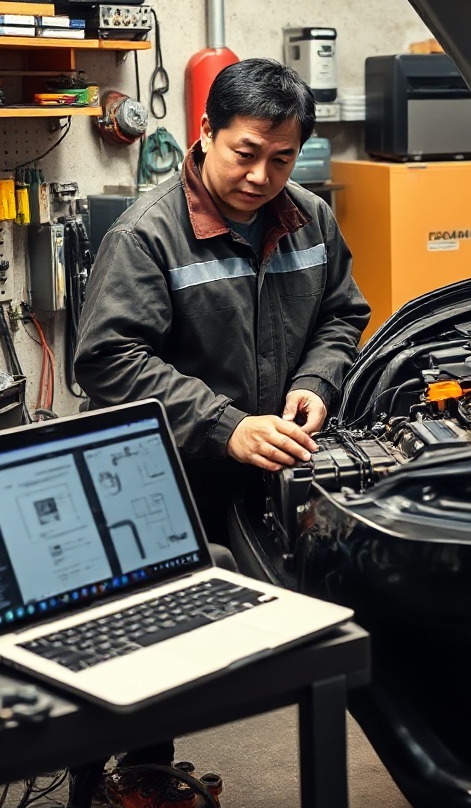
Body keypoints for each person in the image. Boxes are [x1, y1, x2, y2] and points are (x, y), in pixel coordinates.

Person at [74, 57, 370, 545]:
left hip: (277, 470)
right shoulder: (146, 236)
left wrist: (316, 382)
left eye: (281, 160)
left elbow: (341, 314)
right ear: (208, 130)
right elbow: (108, 361)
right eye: (245, 154)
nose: (260, 177)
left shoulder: (312, 218)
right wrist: (226, 427)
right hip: (173, 482)